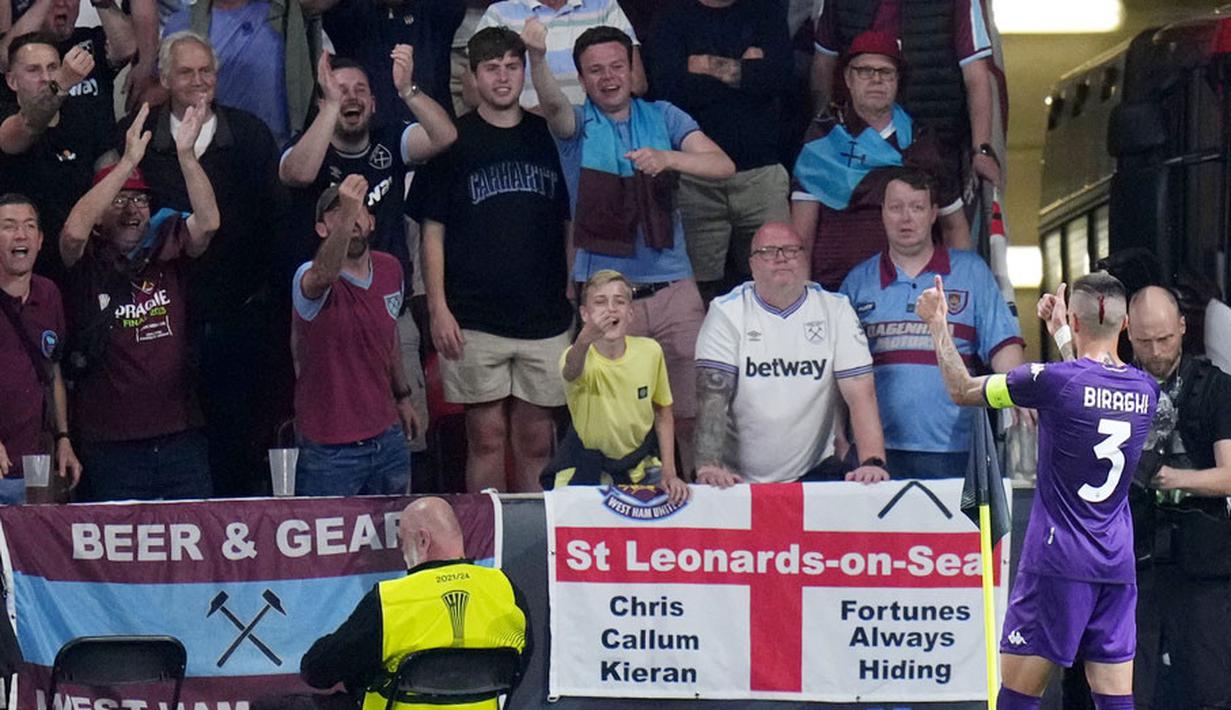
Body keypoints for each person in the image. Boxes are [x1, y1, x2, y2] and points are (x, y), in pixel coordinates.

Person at [917, 271, 1157, 710]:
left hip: (1058, 561)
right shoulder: (1146, 390)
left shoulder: (1052, 382)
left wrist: (937, 324)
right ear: (1125, 326)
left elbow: (961, 389)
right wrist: (1064, 332)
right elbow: (1092, 381)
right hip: (1116, 563)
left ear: (1080, 324)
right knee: (1115, 697)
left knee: (1019, 695)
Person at [528, 22, 736, 477]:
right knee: (615, 419)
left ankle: (700, 504)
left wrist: (668, 158)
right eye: (595, 70)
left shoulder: (664, 116)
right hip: (609, 295)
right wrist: (537, 58)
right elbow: (552, 105)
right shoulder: (579, 125)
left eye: (616, 66)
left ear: (631, 68)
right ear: (582, 79)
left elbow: (722, 164)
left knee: (690, 412)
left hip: (673, 287)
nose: (608, 77)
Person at [1043, 285, 1231, 710]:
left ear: (1183, 328)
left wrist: (1167, 477)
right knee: (1126, 687)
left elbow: (1230, 475)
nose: (1156, 350)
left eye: (1165, 339)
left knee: (1211, 687)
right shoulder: (1120, 382)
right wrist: (1059, 329)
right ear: (1128, 332)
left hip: (1201, 558)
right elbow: (1081, 381)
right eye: (1144, 340)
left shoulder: (1215, 388)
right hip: (1133, 553)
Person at [412, 26, 573, 494]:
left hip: (544, 313)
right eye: (492, 68)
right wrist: (438, 306)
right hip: (473, 315)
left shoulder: (548, 136)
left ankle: (530, 547)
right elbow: (432, 231)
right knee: (485, 437)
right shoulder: (452, 141)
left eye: (511, 66)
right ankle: (487, 543)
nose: (503, 77)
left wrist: (570, 288)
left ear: (524, 71)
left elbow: (569, 217)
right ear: (473, 77)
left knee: (537, 439)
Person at [127, 30, 288, 497]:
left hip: (241, 313)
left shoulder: (250, 132)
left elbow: (275, 220)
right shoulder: (139, 131)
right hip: (160, 318)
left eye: (206, 71)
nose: (199, 81)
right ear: (164, 77)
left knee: (240, 436)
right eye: (186, 72)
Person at [279, 49, 456, 453]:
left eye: (361, 90)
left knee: (406, 429)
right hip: (323, 307)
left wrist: (406, 89)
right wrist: (329, 107)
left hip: (389, 303)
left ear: (374, 102)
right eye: (342, 90)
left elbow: (444, 136)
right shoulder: (308, 145)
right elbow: (299, 173)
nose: (352, 97)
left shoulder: (390, 137)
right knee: (332, 421)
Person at [59, 101, 220, 501]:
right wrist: (128, 162)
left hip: (179, 437)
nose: (133, 210)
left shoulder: (166, 243)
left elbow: (209, 222)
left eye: (141, 200)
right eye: (120, 200)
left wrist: (186, 155)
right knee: (122, 559)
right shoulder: (87, 261)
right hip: (112, 444)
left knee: (193, 546)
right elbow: (75, 233)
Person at [840, 170, 1025, 479]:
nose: (906, 218)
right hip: (876, 454)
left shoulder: (971, 272)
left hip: (956, 449)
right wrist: (839, 437)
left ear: (933, 214)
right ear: (882, 213)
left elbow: (1004, 348)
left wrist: (1022, 388)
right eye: (896, 207)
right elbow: (836, 373)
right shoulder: (857, 283)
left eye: (917, 207)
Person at [694, 221, 889, 486]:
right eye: (768, 251)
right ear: (751, 264)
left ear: (805, 259)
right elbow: (713, 396)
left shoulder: (835, 309)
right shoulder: (726, 311)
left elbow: (860, 392)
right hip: (736, 479)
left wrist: (872, 462)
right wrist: (708, 465)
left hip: (814, 471)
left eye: (791, 250)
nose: (781, 258)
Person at [301, 496, 530, 709]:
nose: (401, 550)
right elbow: (519, 666)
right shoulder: (506, 589)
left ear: (423, 540)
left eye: (402, 540)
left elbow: (318, 671)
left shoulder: (390, 600)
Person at [791, 29, 969, 291]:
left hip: (912, 297)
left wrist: (959, 294)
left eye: (886, 72)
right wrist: (804, 304)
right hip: (834, 294)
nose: (876, 79)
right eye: (865, 71)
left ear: (898, 81)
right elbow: (801, 239)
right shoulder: (822, 141)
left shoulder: (923, 143)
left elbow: (954, 229)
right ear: (848, 78)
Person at [647, 0, 793, 303]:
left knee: (779, 282)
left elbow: (778, 77)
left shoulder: (766, 10)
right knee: (695, 293)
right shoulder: (671, 18)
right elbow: (670, 88)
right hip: (693, 179)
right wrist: (745, 71)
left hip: (761, 175)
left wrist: (704, 65)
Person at [291, 175, 418, 496]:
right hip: (329, 449)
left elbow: (388, 337)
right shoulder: (306, 276)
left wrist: (403, 397)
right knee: (329, 544)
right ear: (322, 229)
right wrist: (348, 215)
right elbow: (324, 274)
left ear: (372, 221)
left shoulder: (391, 269)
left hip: (386, 437)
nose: (350, 217)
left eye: (357, 209)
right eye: (337, 212)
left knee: (394, 539)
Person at [809, 0, 1003, 186]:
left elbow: (976, 77)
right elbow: (823, 66)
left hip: (934, 150)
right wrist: (825, 130)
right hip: (855, 150)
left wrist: (981, 149)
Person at [541, 269, 689, 504]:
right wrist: (583, 339)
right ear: (585, 314)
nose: (611, 309)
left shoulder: (650, 351)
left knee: (677, 501)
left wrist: (670, 472)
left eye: (619, 302)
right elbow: (571, 370)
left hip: (642, 466)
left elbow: (663, 411)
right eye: (600, 302)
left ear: (630, 313)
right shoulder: (577, 355)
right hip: (587, 465)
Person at [0, 32, 117, 270]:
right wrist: (62, 82)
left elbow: (108, 175)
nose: (46, 77)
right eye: (33, 70)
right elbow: (27, 126)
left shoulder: (87, 114)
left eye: (53, 67)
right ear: (12, 81)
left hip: (80, 256)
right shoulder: (6, 117)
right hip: (17, 264)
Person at [0, 193, 80, 504]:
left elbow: (53, 370)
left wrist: (63, 438)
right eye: (8, 226)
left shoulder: (49, 294)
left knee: (40, 546)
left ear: (41, 239)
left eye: (29, 226)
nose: (20, 234)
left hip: (39, 460)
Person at [163, 0, 319, 146]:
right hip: (208, 149)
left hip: (276, 149)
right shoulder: (181, 23)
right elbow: (165, 88)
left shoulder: (284, 13)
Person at [301, 0, 465, 127]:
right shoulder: (349, 12)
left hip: (433, 139)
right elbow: (307, 4)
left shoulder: (438, 10)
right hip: (363, 140)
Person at [474, 0, 646, 109]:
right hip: (524, 131)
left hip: (595, 130)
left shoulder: (605, 6)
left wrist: (572, 118)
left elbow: (636, 83)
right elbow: (473, 91)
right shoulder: (499, 14)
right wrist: (524, 119)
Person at [0, 0, 136, 137]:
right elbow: (6, 59)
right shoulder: (26, 52)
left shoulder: (92, 39)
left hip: (100, 153)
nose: (61, 4)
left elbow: (128, 48)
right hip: (39, 151)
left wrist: (101, 3)